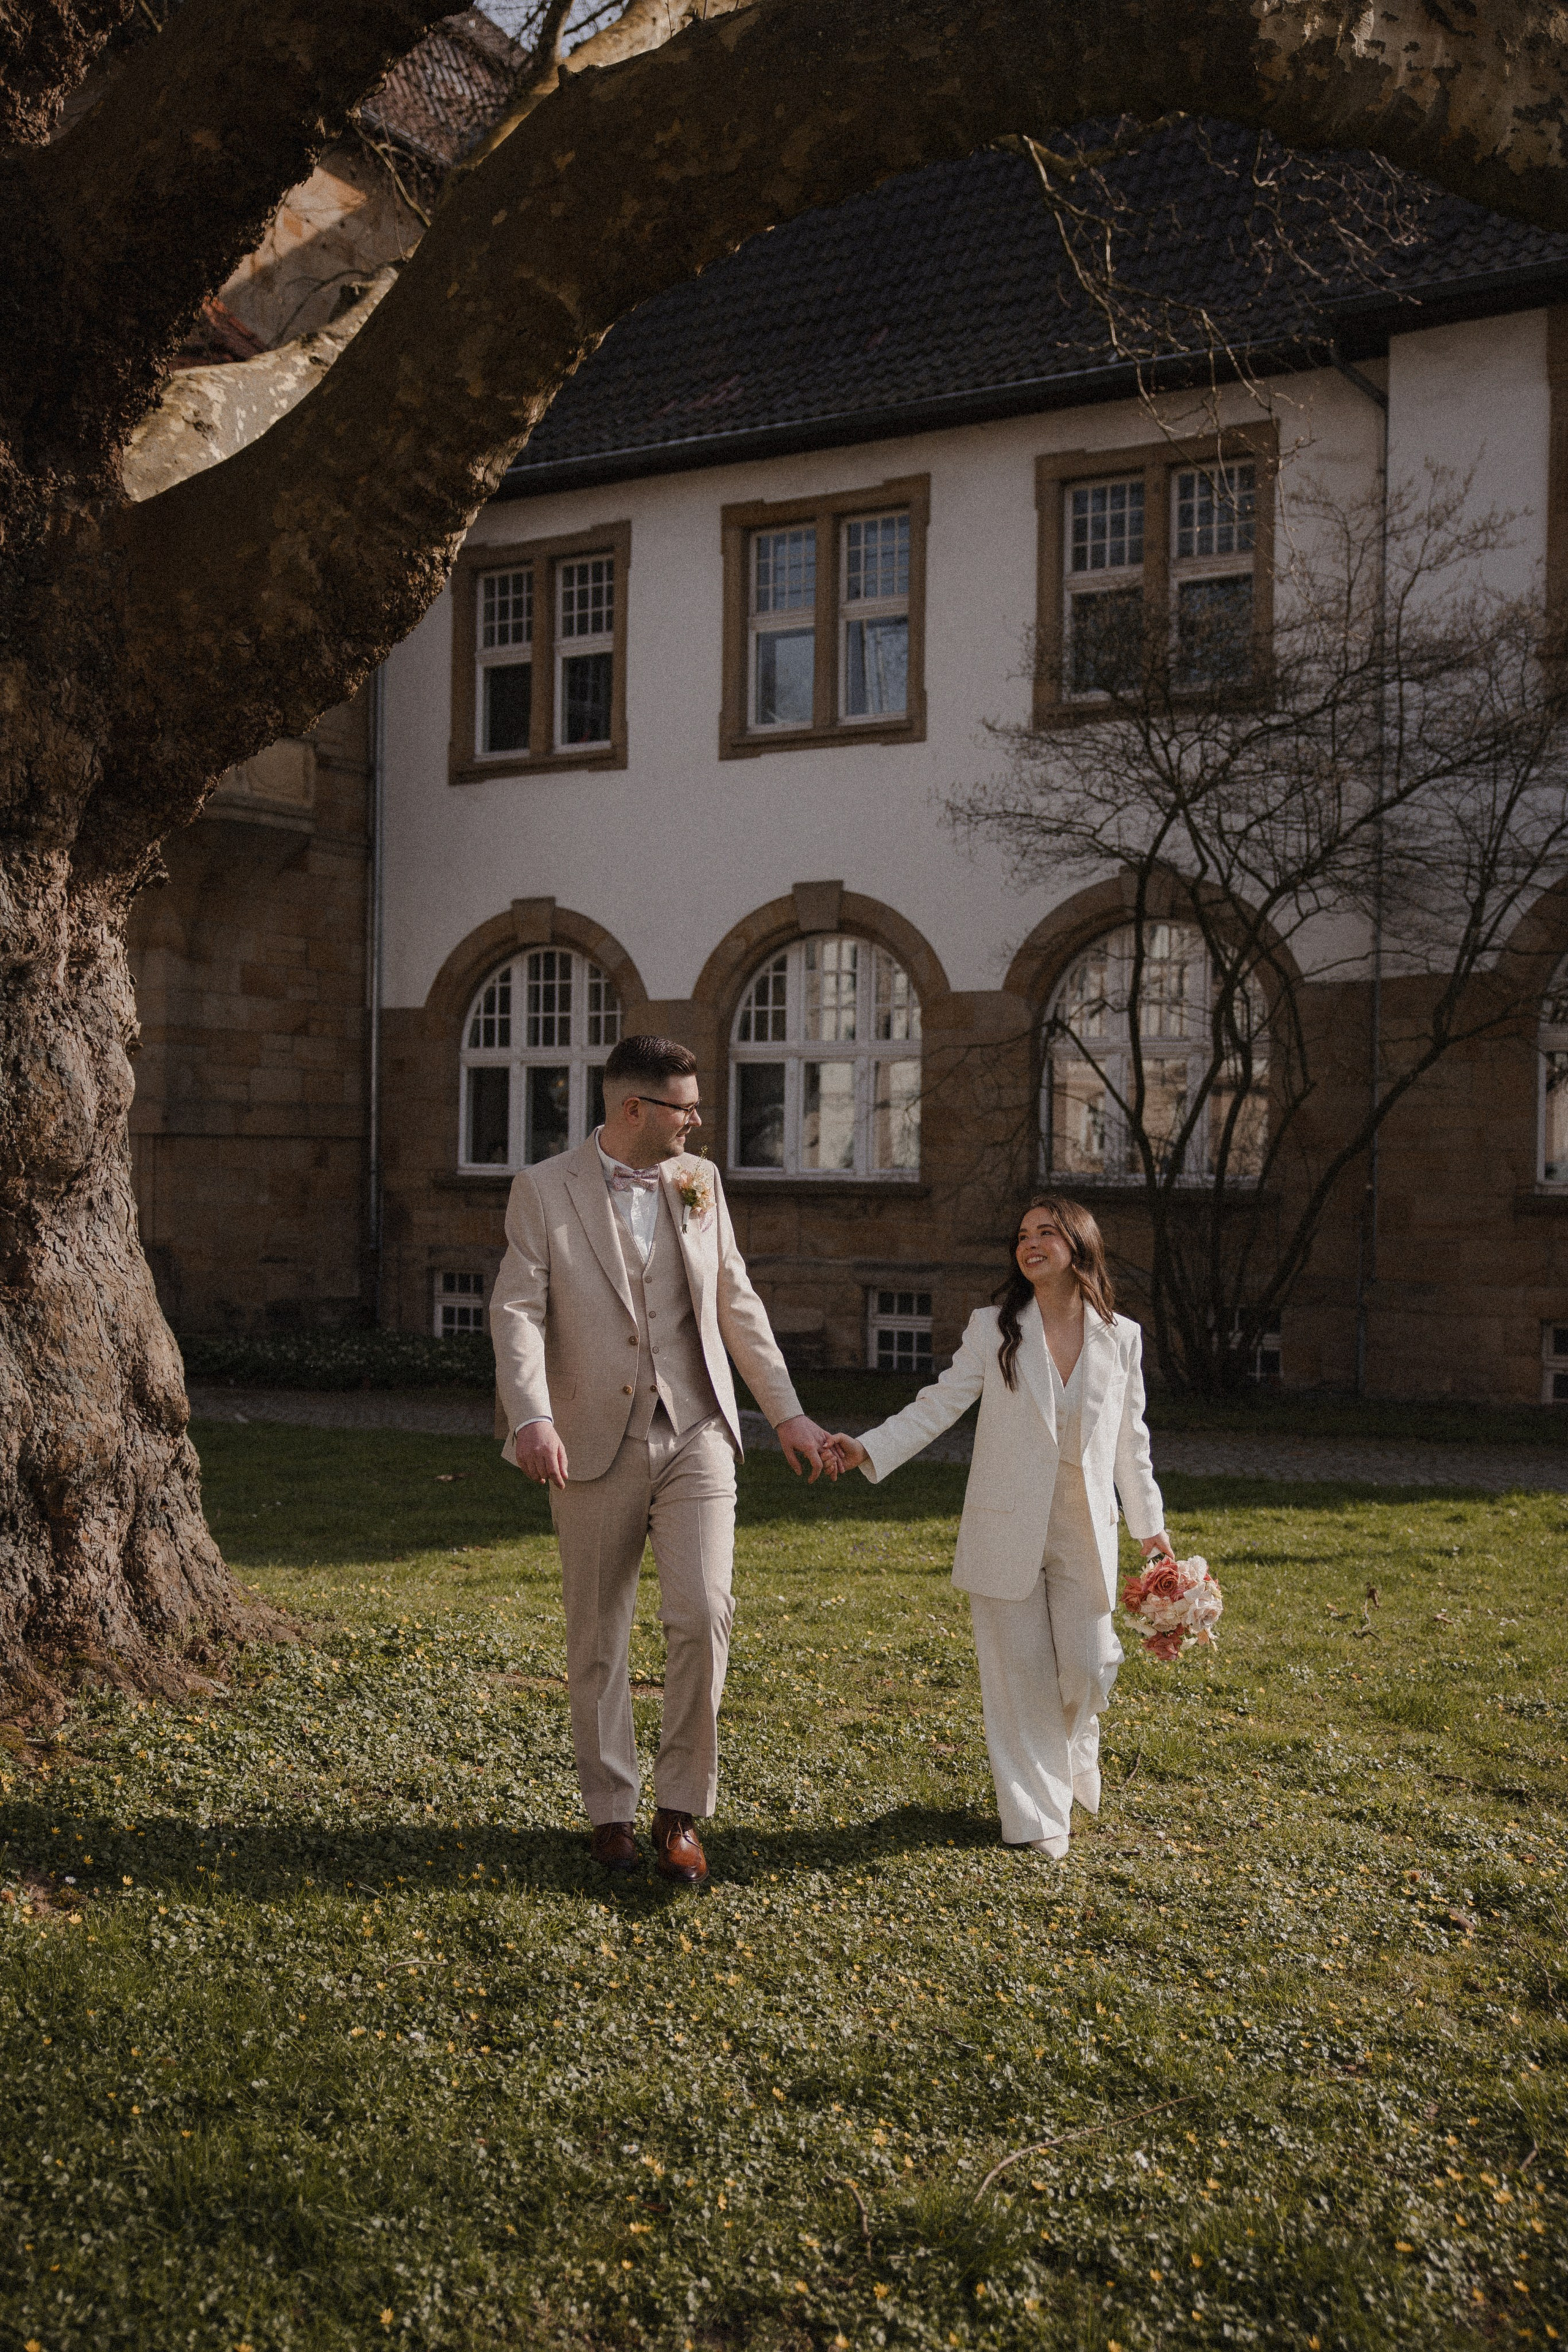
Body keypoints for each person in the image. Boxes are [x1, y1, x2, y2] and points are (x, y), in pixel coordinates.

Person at [489, 1034, 834, 1887]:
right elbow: (517, 1311)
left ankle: (680, 1810)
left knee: (703, 1611)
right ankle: (610, 1811)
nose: (699, 1120)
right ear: (633, 1109)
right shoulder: (542, 1189)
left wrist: (784, 1412)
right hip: (586, 1443)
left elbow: (736, 1300)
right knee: (598, 1635)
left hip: (698, 1432)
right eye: (684, 1107)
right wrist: (532, 1416)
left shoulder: (698, 1181)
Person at [823, 1196, 1175, 1858]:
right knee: (1019, 1678)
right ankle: (1037, 1818)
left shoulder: (1120, 1335)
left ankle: (1072, 1751)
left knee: (1091, 1665)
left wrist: (1149, 1527)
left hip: (1085, 1527)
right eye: (1021, 1235)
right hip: (1004, 1527)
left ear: (1079, 1245)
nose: (1030, 1243)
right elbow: (939, 1404)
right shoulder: (994, 1327)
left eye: (1046, 1232)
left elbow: (1131, 1439)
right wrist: (868, 1447)